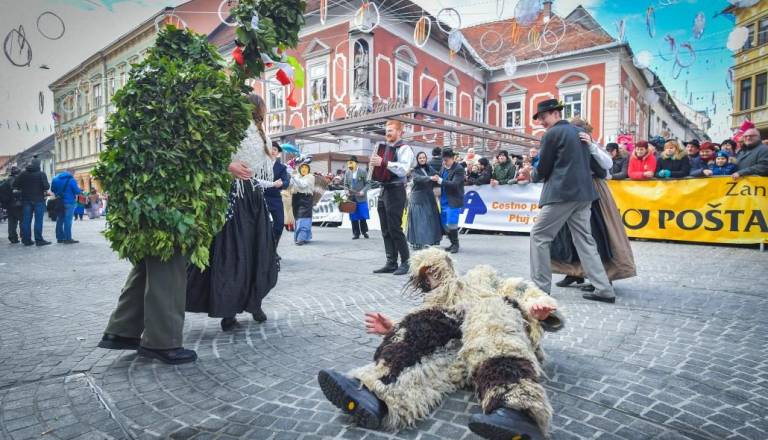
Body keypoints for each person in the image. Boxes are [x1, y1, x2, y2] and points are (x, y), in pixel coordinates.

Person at [317, 248, 564, 440]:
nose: (431, 278)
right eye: (425, 276)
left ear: (446, 267)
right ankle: (376, 394)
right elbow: (425, 331)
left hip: (498, 333)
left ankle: (517, 410)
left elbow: (522, 290)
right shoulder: (435, 306)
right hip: (462, 351)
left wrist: (538, 308)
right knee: (422, 331)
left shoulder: (481, 279)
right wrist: (394, 328)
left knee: (489, 313)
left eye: (434, 271)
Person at [186, 93, 279, 331]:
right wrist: (230, 167)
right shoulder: (239, 132)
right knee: (244, 252)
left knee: (247, 251)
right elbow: (214, 158)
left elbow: (257, 167)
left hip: (247, 197)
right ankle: (238, 308)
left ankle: (245, 305)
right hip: (240, 196)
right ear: (258, 109)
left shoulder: (251, 133)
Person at [529, 98, 615, 303]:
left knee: (539, 235)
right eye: (539, 118)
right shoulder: (580, 133)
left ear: (556, 113)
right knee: (585, 240)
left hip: (562, 193)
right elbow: (599, 164)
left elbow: (543, 168)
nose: (541, 121)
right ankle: (604, 289)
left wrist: (532, 174)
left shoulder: (552, 134)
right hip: (584, 194)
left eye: (543, 117)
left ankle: (540, 289)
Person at [553, 120, 637, 291]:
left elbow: (607, 165)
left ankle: (604, 277)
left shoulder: (592, 146)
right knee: (569, 234)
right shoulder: (568, 146)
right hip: (573, 190)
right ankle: (574, 272)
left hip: (594, 191)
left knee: (597, 233)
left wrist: (591, 146)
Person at [370, 120, 415, 276]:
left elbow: (404, 169)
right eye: (386, 131)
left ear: (400, 132)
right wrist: (374, 168)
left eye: (391, 130)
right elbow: (383, 168)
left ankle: (406, 262)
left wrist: (383, 162)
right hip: (384, 189)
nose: (387, 133)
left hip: (396, 190)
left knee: (395, 228)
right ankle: (391, 262)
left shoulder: (404, 148)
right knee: (385, 229)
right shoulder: (385, 148)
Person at [406, 152, 442, 249]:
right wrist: (430, 178)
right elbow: (418, 179)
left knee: (430, 221)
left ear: (426, 159)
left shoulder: (429, 168)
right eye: (420, 158)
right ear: (417, 160)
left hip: (429, 198)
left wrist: (438, 175)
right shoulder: (414, 170)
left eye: (424, 158)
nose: (422, 159)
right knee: (420, 222)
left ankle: (429, 241)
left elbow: (438, 174)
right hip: (418, 199)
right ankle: (418, 242)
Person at [432, 148, 465, 253]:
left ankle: (456, 244)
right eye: (443, 160)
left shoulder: (459, 169)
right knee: (445, 224)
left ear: (452, 158)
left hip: (453, 200)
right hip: (444, 200)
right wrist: (435, 177)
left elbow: (455, 184)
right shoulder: (443, 167)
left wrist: (440, 180)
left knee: (452, 223)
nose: (444, 162)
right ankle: (452, 243)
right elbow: (440, 178)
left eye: (446, 160)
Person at [12, 159, 51, 246]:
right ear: (39, 164)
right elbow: (46, 186)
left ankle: (26, 240)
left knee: (26, 221)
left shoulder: (23, 174)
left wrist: (23, 188)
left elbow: (14, 185)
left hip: (26, 200)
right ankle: (39, 240)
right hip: (39, 200)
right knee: (38, 221)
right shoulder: (41, 174)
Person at [264, 141, 290, 263]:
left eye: (275, 149)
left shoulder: (282, 167)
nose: (273, 151)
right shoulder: (260, 165)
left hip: (275, 198)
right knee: (262, 225)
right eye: (271, 148)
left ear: (278, 153)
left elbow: (286, 182)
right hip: (261, 198)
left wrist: (282, 184)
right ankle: (262, 252)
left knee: (279, 224)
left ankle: (273, 250)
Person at [50, 168, 83, 244]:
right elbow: (77, 191)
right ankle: (68, 238)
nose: (73, 174)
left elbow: (52, 189)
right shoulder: (71, 179)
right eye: (73, 173)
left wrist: (58, 193)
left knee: (60, 220)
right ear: (71, 172)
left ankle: (59, 238)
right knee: (68, 220)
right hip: (69, 202)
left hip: (59, 202)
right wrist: (79, 190)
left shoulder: (55, 178)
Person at [343, 156, 370, 240]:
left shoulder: (363, 171)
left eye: (352, 162)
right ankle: (356, 233)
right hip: (351, 197)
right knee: (353, 216)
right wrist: (346, 191)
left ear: (356, 163)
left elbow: (368, 184)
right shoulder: (347, 172)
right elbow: (345, 185)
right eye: (349, 162)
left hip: (361, 197)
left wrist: (363, 191)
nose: (350, 164)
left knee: (362, 215)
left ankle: (364, 231)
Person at [291, 162, 315, 245]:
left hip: (306, 198)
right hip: (296, 198)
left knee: (303, 218)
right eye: (302, 167)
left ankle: (301, 238)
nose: (304, 169)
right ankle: (305, 237)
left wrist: (293, 177)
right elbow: (290, 185)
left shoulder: (310, 177)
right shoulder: (297, 176)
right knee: (298, 218)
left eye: (306, 167)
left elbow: (303, 185)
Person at [0, 166, 22, 243]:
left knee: (12, 221)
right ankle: (24, 236)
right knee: (22, 220)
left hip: (9, 204)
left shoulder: (6, 181)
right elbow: (16, 192)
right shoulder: (16, 180)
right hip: (17, 204)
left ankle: (12, 238)